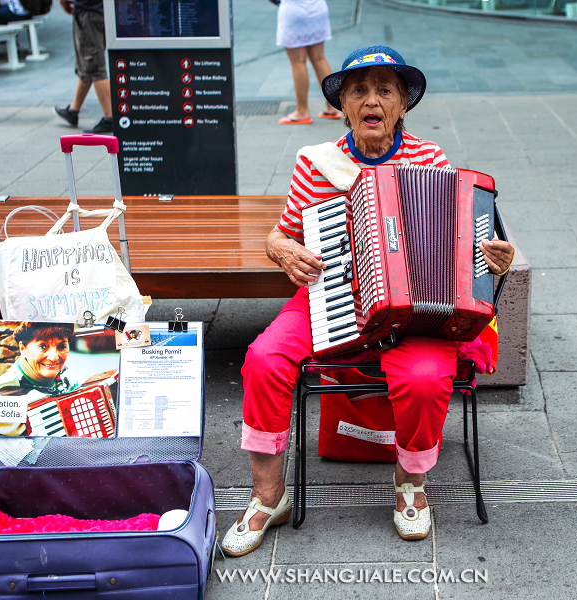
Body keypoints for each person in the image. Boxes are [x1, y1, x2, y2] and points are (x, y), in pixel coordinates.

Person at [220, 45, 515, 557]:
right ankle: (268, 496)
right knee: (264, 360)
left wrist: (493, 260)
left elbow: (467, 246)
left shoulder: (431, 161)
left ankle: (410, 486)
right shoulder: (316, 165)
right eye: (359, 90)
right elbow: (280, 235)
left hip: (414, 314)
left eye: (385, 90)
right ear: (343, 106)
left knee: (424, 379)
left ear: (402, 105)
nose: (371, 100)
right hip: (332, 296)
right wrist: (280, 248)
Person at [0, 322, 76, 435]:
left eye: (61, 346)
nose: (54, 357)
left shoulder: (65, 374)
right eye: (43, 346)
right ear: (23, 348)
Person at [275, 0, 341, 124]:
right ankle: (332, 106)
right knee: (319, 58)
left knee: (298, 62)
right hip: (317, 9)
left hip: (294, 10)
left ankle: (302, 111)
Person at [52, 0, 112, 134]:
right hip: (105, 11)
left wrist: (63, 1)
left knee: (94, 66)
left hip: (90, 11)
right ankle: (73, 111)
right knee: (88, 64)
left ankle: (110, 118)